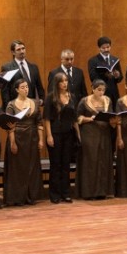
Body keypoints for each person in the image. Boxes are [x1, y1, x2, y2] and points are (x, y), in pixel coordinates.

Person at [3, 77, 45, 206]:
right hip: (18, 137)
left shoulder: (35, 102)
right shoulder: (11, 104)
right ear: (16, 90)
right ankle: (17, 197)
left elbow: (39, 122)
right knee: (18, 168)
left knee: (31, 167)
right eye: (22, 87)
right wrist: (12, 143)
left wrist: (41, 140)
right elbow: (9, 125)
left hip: (32, 137)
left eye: (27, 87)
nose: (26, 89)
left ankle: (31, 195)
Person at [76, 79, 117, 200]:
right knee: (91, 162)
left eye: (103, 90)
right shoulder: (84, 101)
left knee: (103, 161)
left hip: (104, 134)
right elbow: (77, 117)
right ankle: (89, 192)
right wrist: (90, 119)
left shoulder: (107, 100)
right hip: (89, 133)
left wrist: (113, 121)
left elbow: (110, 116)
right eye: (99, 89)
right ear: (93, 89)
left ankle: (102, 191)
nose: (101, 92)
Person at [44, 73, 78, 203]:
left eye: (66, 81)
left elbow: (74, 118)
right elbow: (46, 118)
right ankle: (54, 194)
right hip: (55, 133)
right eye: (62, 81)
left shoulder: (72, 97)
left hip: (68, 134)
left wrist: (78, 135)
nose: (65, 83)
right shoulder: (51, 98)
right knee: (56, 164)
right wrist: (49, 136)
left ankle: (66, 193)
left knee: (66, 165)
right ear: (57, 83)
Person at [1, 40, 45, 104]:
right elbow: (5, 90)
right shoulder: (7, 68)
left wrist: (42, 99)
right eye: (18, 50)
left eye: (23, 48)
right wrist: (8, 106)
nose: (22, 51)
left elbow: (39, 86)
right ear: (13, 52)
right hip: (15, 106)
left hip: (31, 104)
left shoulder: (33, 67)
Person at [88, 36, 123, 104]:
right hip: (100, 93)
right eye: (103, 48)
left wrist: (117, 76)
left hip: (113, 93)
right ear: (99, 48)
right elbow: (92, 77)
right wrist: (105, 75)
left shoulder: (115, 60)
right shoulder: (93, 60)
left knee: (113, 113)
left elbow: (120, 78)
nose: (106, 49)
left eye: (108, 47)